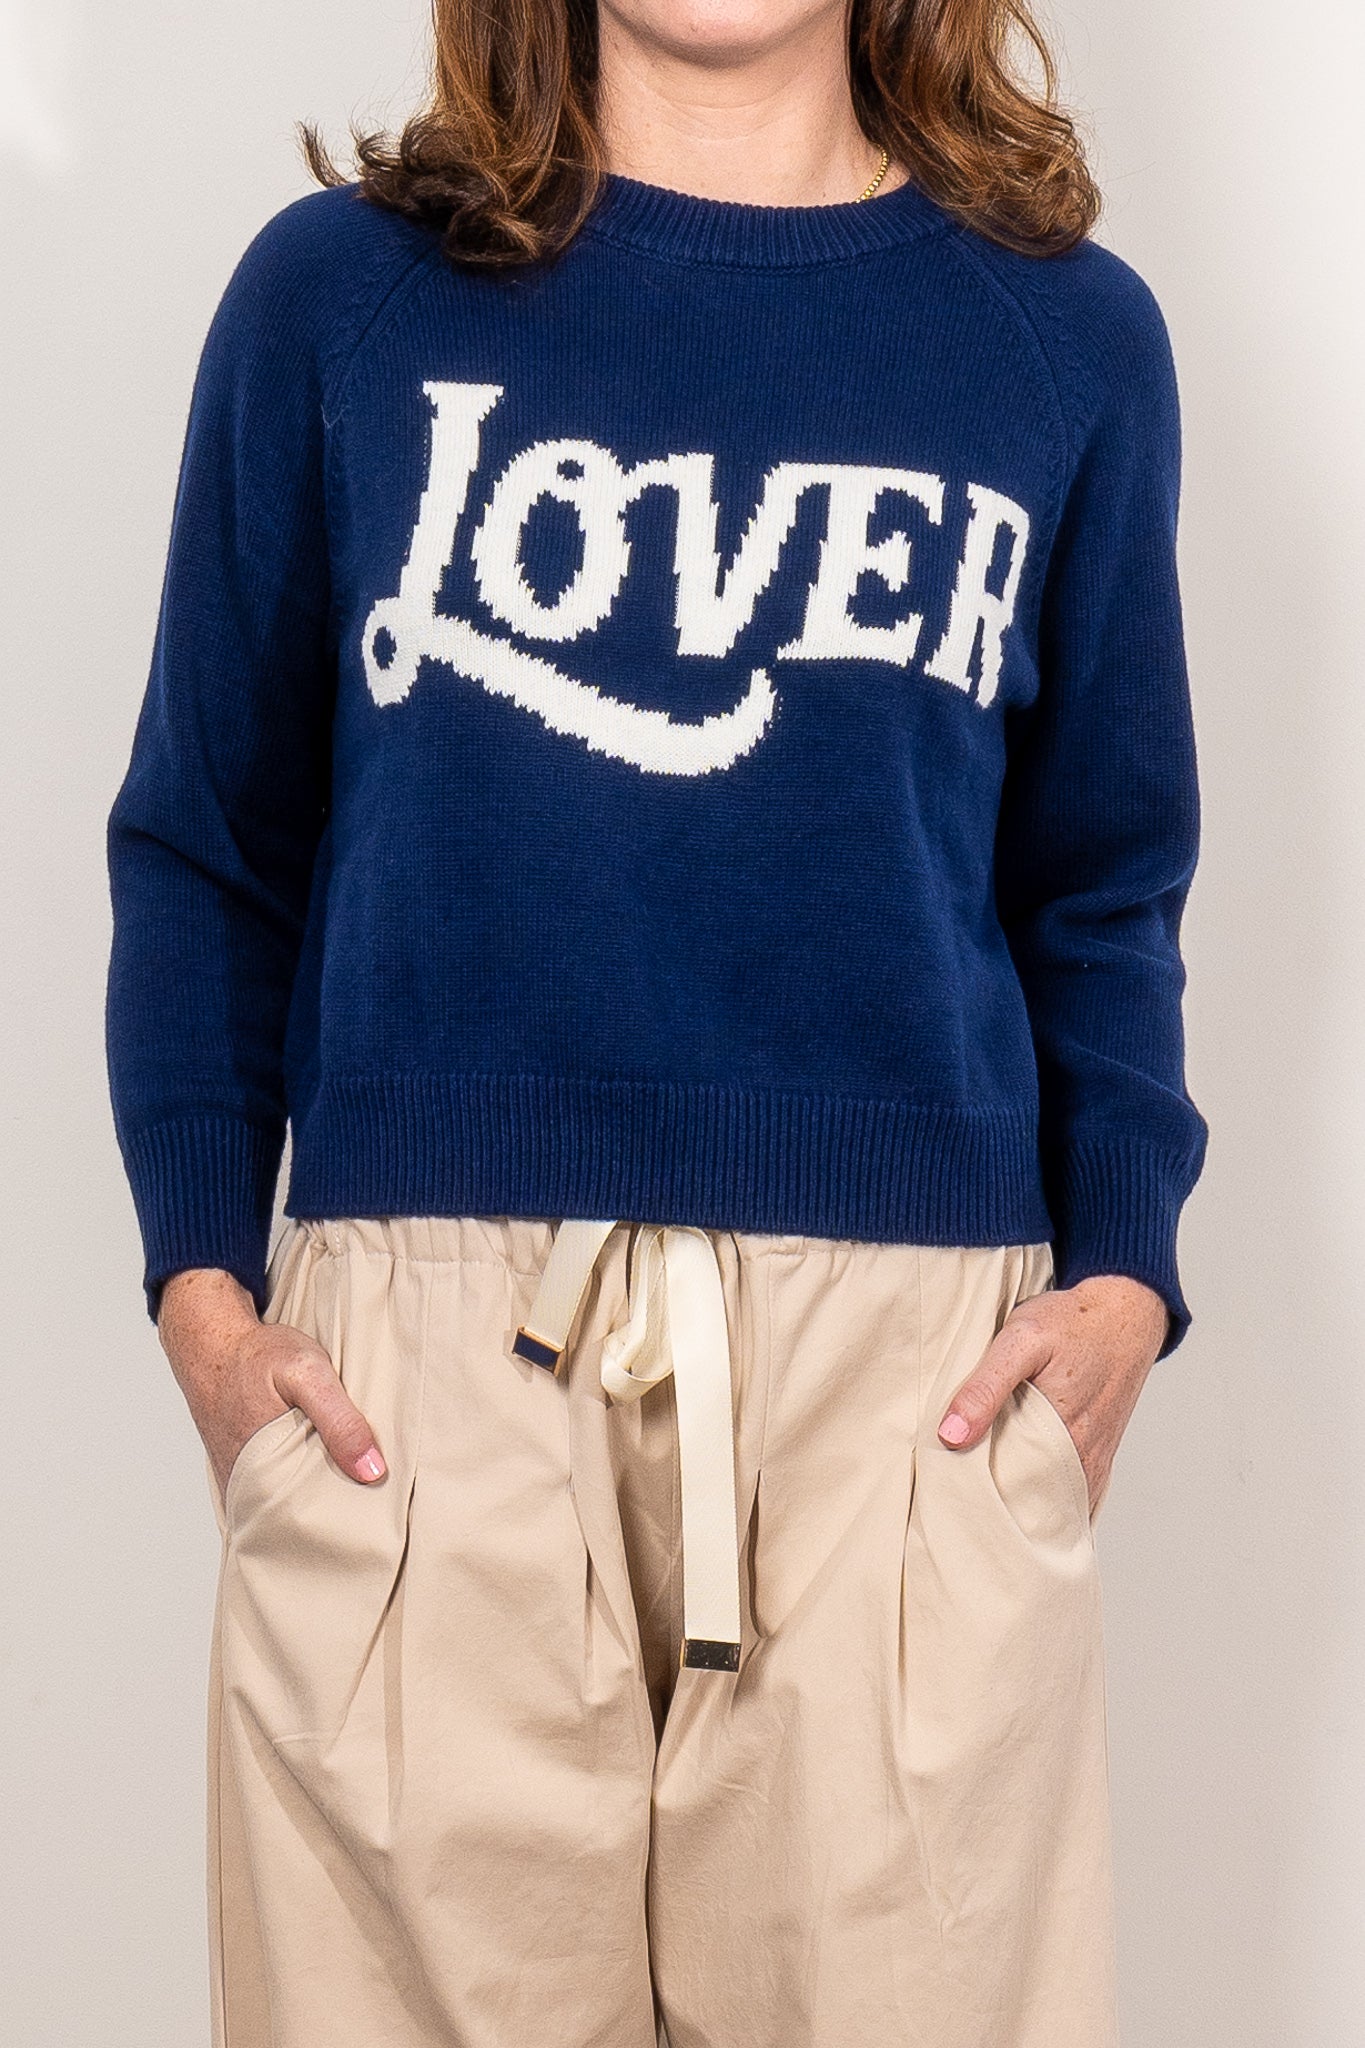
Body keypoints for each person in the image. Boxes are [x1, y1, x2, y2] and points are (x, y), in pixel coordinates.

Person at [104, 0, 1208, 2042]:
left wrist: (1125, 1270)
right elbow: (206, 846)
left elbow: (1101, 881)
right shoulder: (338, 303)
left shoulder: (1059, 338)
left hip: (905, 1392)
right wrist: (204, 1300)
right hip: (422, 1378)